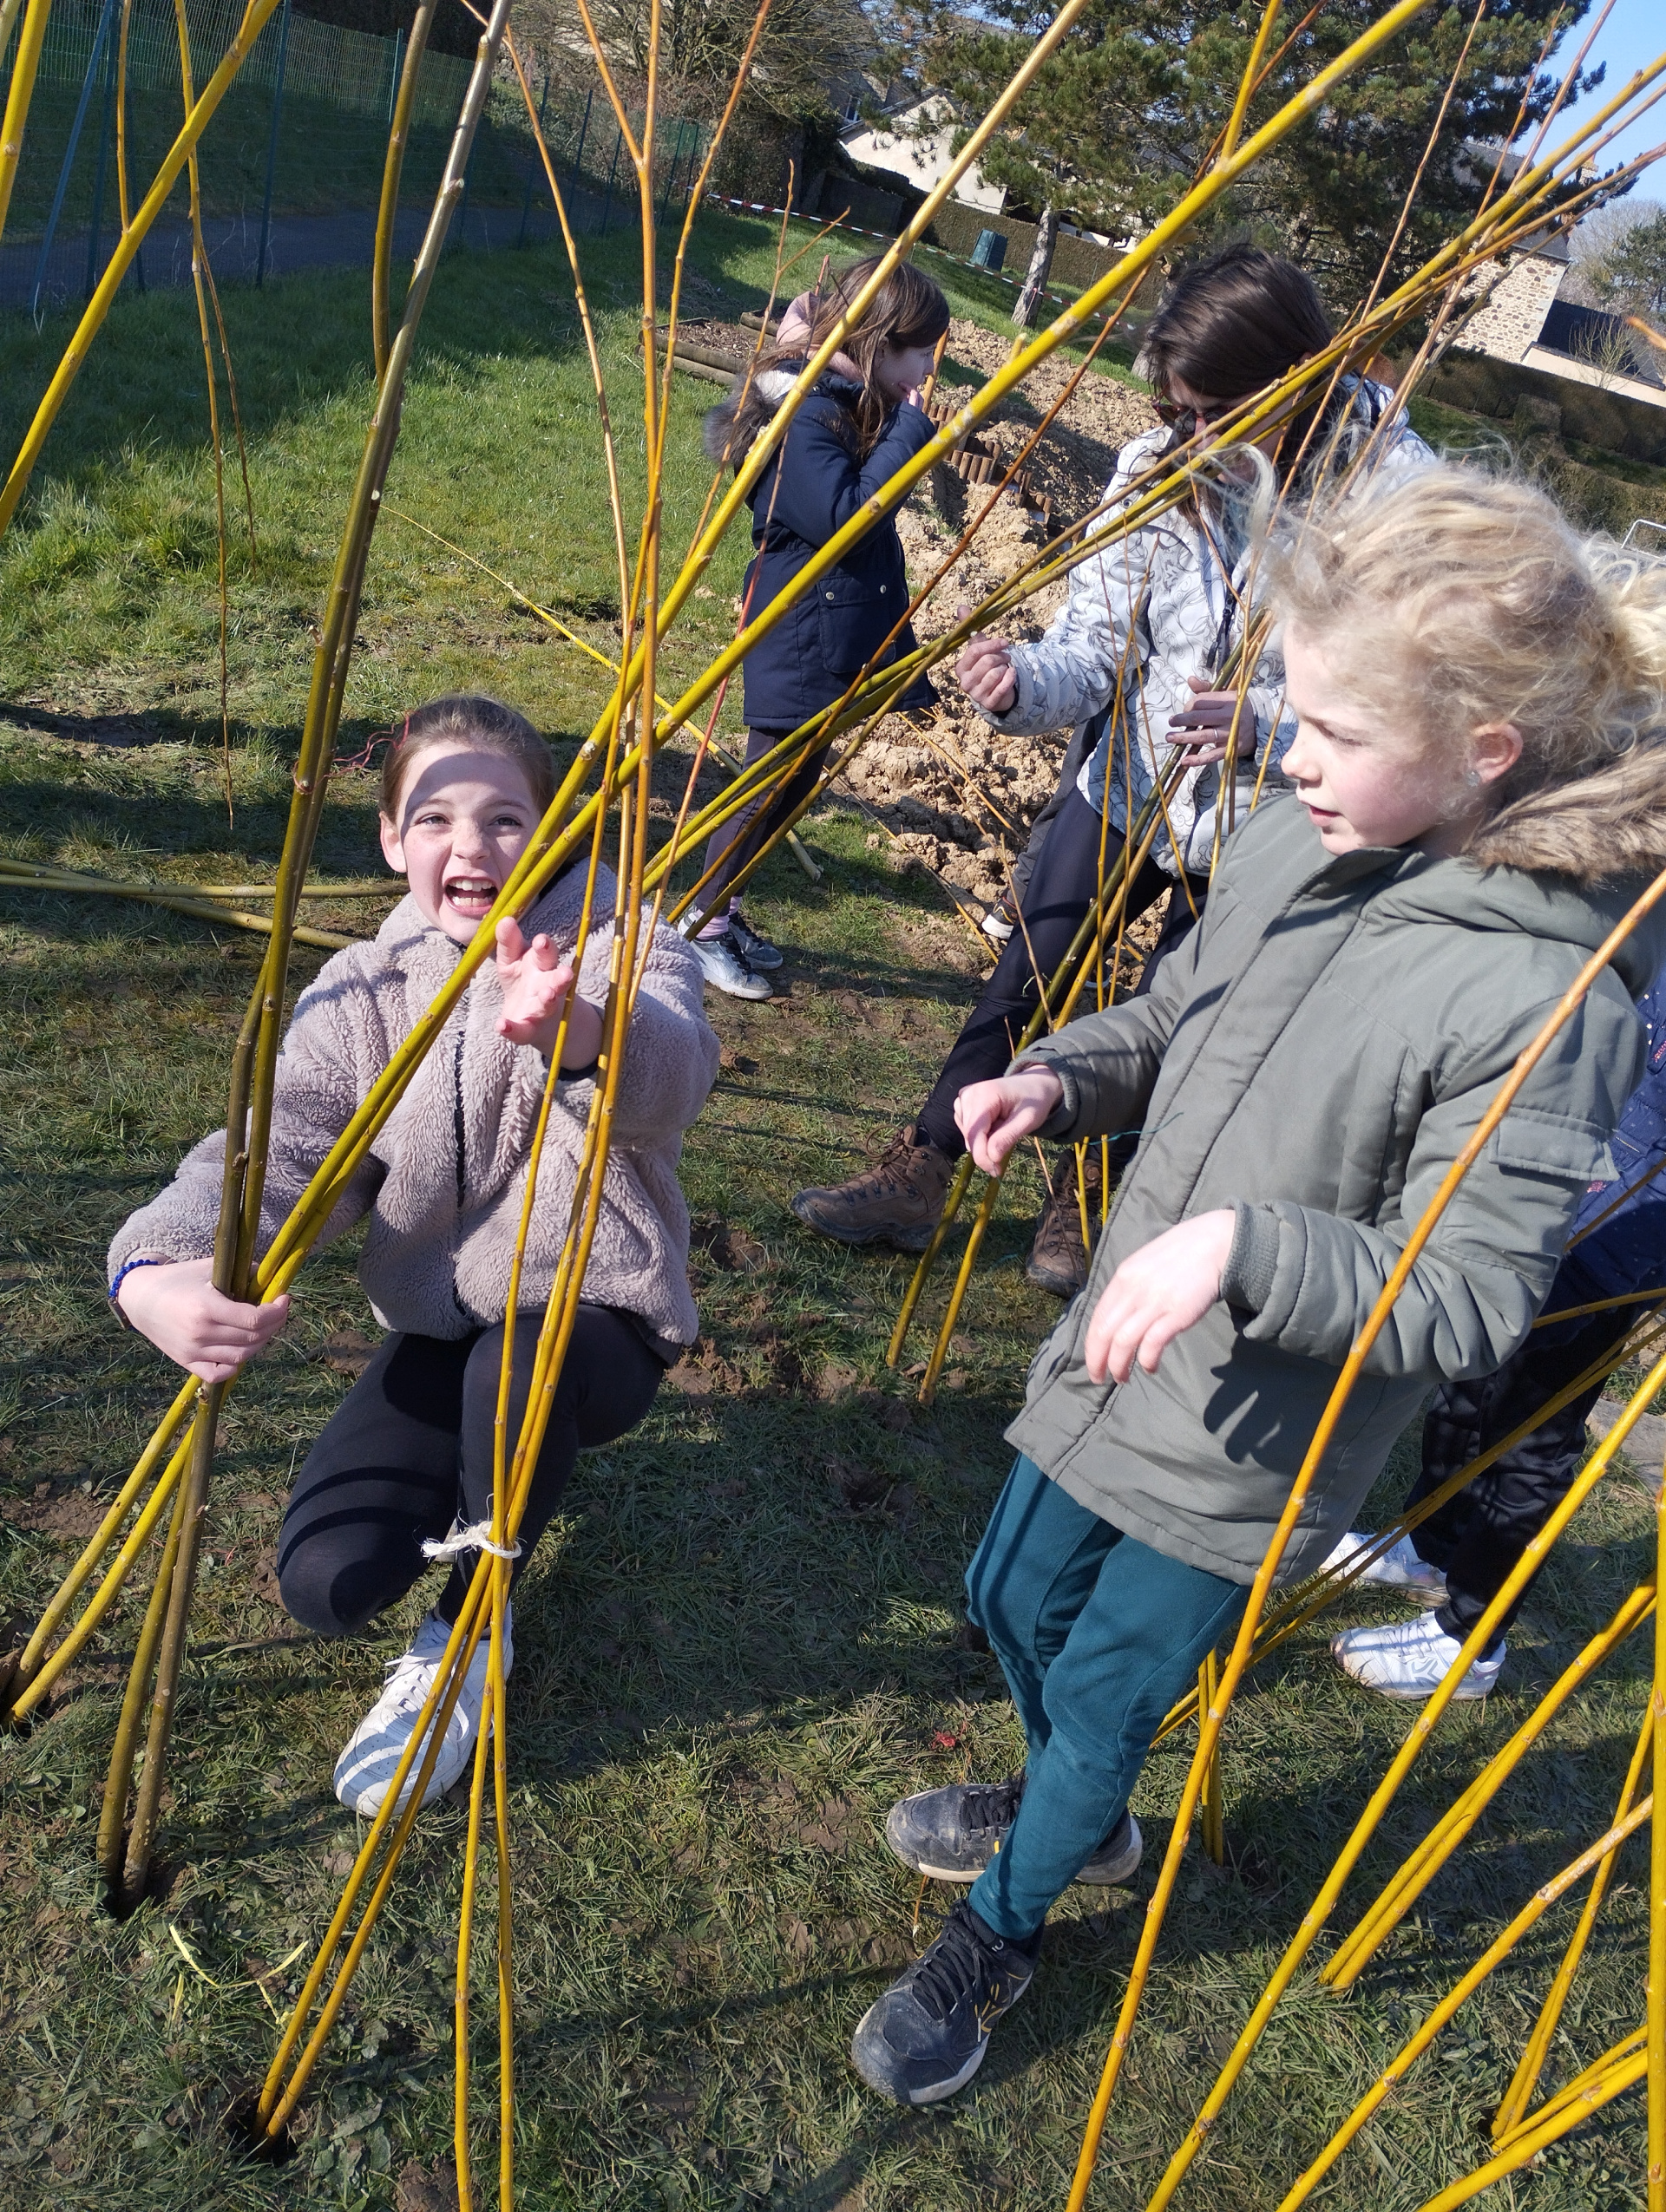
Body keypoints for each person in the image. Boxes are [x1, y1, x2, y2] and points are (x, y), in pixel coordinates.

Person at [847, 467, 1666, 2107]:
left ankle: (1005, 1924)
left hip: (1257, 1432)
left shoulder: (1554, 999)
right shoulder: (1301, 838)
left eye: (1335, 729)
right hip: (1124, 1343)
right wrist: (1062, 1077)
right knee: (1007, 1597)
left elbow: (1466, 1295)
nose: (1289, 753)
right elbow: (1179, 1020)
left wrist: (1244, 1249)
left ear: (1484, 751)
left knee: (1104, 1685)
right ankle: (1077, 1807)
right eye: (1296, 708)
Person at [107, 696, 720, 1816]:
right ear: (393, 840)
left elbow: (675, 1071)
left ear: (552, 832)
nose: (471, 846)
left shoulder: (620, 943)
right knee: (328, 1580)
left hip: (590, 1323)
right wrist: (155, 1266)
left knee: (515, 1375)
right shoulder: (363, 988)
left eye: (506, 819)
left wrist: (579, 1032)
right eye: (435, 818)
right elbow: (280, 1147)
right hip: (444, 1323)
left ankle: (471, 1630)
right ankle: (473, 1487)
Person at [791, 244, 1429, 1296]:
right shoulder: (1154, 467)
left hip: (1275, 823)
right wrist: (1019, 686)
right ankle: (924, 1166)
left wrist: (1270, 727)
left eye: (1214, 414)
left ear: (1292, 380)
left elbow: (1415, 704)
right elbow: (1092, 649)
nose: (1194, 439)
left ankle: (1086, 1202)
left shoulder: (1397, 503)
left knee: (1176, 1011)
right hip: (1127, 783)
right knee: (1029, 972)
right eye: (1178, 412)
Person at [1326, 965, 1666, 1699]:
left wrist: (1600, 1254)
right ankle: (1433, 1543)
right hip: (1552, 1194)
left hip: (1618, 1240)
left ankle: (1471, 1641)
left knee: (1533, 1433)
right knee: (1470, 1379)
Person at [686, 258, 951, 1000]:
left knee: (792, 786)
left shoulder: (839, 402)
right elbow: (844, 518)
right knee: (763, 787)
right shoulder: (806, 415)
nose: (927, 370)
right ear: (877, 341)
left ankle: (722, 908)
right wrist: (909, 430)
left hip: (823, 632)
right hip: (797, 633)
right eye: (919, 352)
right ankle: (700, 925)